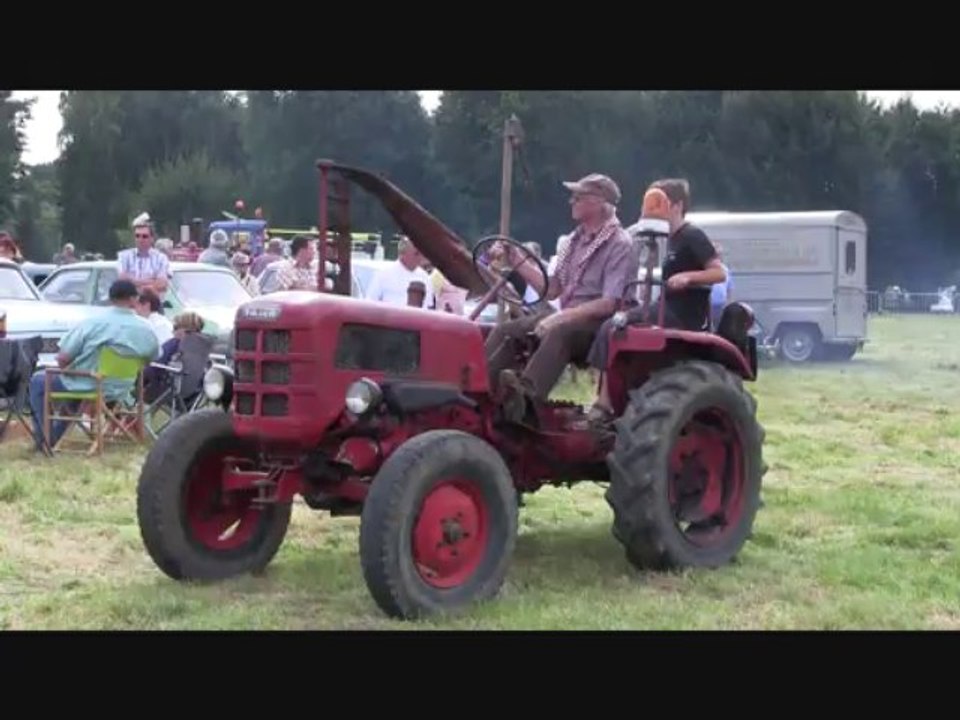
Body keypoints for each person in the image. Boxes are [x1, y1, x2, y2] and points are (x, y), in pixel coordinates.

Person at [483, 173, 639, 424]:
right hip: (572, 316)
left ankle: (526, 401)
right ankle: (480, 392)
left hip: (602, 324)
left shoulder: (619, 243)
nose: (571, 202)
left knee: (560, 332)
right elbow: (553, 289)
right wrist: (517, 260)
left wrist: (559, 318)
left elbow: (610, 303)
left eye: (579, 197)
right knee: (506, 330)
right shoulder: (575, 242)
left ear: (600, 203)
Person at [584, 178, 727, 424]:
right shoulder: (665, 237)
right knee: (613, 325)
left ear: (677, 205)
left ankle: (605, 402)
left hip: (683, 313)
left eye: (659, 203)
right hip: (665, 305)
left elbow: (718, 272)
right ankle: (610, 396)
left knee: (615, 325)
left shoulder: (692, 235)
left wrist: (688, 277)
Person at [28, 280, 158, 452]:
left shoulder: (93, 323)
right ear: (134, 299)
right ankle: (53, 437)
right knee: (76, 387)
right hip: (123, 388)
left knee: (39, 380)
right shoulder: (147, 328)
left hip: (90, 384)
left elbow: (63, 358)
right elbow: (149, 359)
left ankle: (44, 438)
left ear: (110, 298)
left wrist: (70, 369)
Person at [365, 236, 434, 308]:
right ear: (402, 254)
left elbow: (428, 305)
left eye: (420, 253)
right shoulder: (384, 274)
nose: (420, 256)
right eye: (416, 253)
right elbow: (370, 302)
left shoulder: (425, 277)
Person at [117, 214, 170, 297]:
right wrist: (151, 282)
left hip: (153, 305)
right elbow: (122, 281)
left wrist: (133, 282)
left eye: (144, 236)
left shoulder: (161, 258)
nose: (140, 239)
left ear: (152, 238)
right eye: (137, 236)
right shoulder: (124, 256)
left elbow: (162, 284)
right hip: (129, 305)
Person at [136, 289, 174, 355]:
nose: (133, 310)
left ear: (146, 305)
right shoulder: (163, 321)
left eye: (135, 305)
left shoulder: (158, 325)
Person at [710, 242, 732, 329]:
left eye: (719, 254)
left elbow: (729, 289)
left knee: (721, 329)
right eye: (716, 254)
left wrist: (728, 304)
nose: (718, 256)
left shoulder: (725, 269)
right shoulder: (705, 268)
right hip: (708, 306)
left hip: (722, 306)